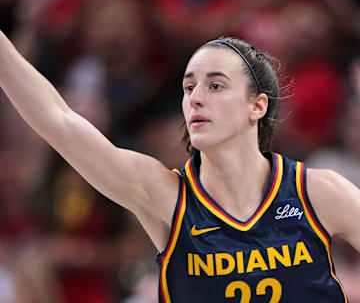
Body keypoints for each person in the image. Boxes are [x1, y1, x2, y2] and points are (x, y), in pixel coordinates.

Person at [0, 32, 359, 302]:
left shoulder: (318, 191)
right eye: (189, 87)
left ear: (258, 106)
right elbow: (59, 121)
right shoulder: (166, 196)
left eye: (215, 85)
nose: (196, 97)